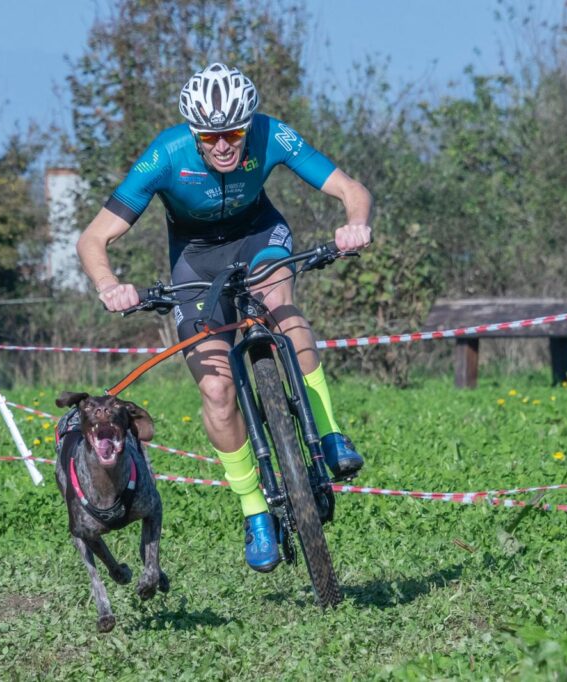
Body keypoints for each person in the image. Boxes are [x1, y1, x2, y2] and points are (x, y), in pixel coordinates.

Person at [77, 63, 373, 573]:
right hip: (196, 259)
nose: (223, 145)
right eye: (210, 136)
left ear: (247, 123)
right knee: (216, 389)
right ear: (194, 132)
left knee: (278, 302)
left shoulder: (271, 133)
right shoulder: (165, 155)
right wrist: (110, 286)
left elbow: (351, 190)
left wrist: (355, 225)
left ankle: (328, 433)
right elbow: (93, 239)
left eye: (233, 132)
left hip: (261, 237)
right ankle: (254, 510)